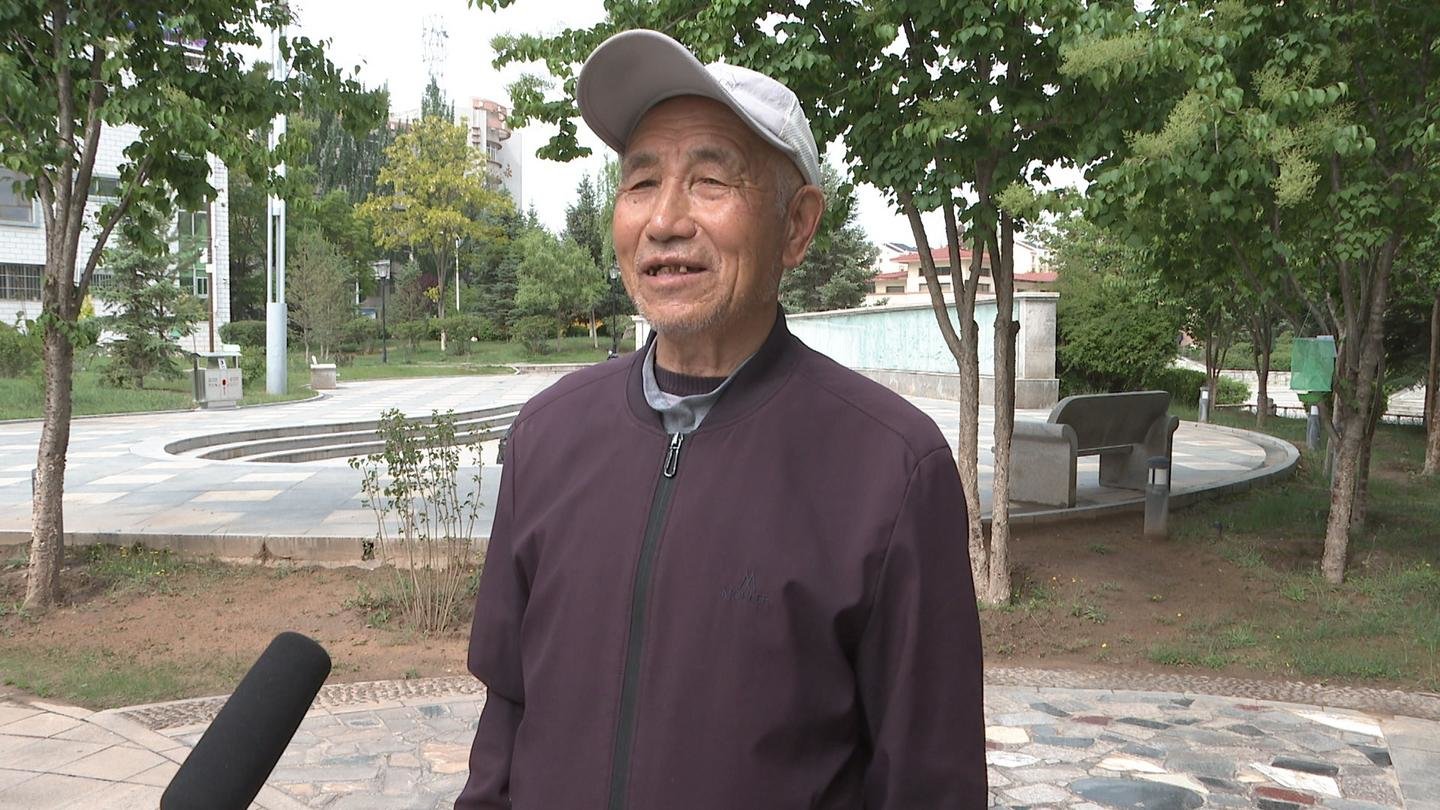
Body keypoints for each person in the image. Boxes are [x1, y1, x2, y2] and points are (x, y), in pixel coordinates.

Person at [456, 29, 986, 810]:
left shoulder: (893, 471)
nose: (665, 220)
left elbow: (928, 783)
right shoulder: (546, 437)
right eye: (642, 182)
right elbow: (507, 710)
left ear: (796, 225)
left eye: (709, 181)